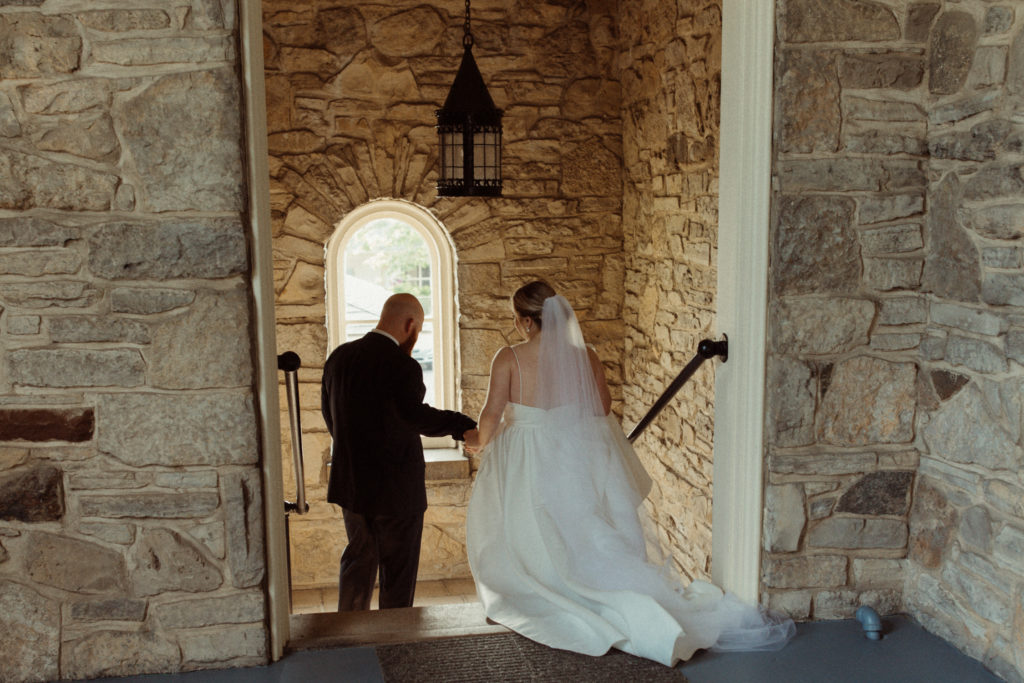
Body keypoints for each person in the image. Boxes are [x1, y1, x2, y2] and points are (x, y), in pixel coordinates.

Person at [465, 281, 794, 666]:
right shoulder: (584, 355)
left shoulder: (509, 357)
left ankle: (531, 585)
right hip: (573, 453)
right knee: (581, 526)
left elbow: (491, 414)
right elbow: (601, 407)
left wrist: (477, 442)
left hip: (523, 453)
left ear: (524, 322)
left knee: (524, 522)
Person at [322, 292, 479, 611]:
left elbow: (330, 416)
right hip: (395, 490)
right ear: (410, 325)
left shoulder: (340, 357)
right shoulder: (402, 365)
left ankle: (348, 636)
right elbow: (414, 415)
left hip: (351, 482)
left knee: (358, 563)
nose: (416, 335)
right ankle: (394, 641)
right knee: (397, 573)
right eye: (418, 329)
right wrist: (462, 426)